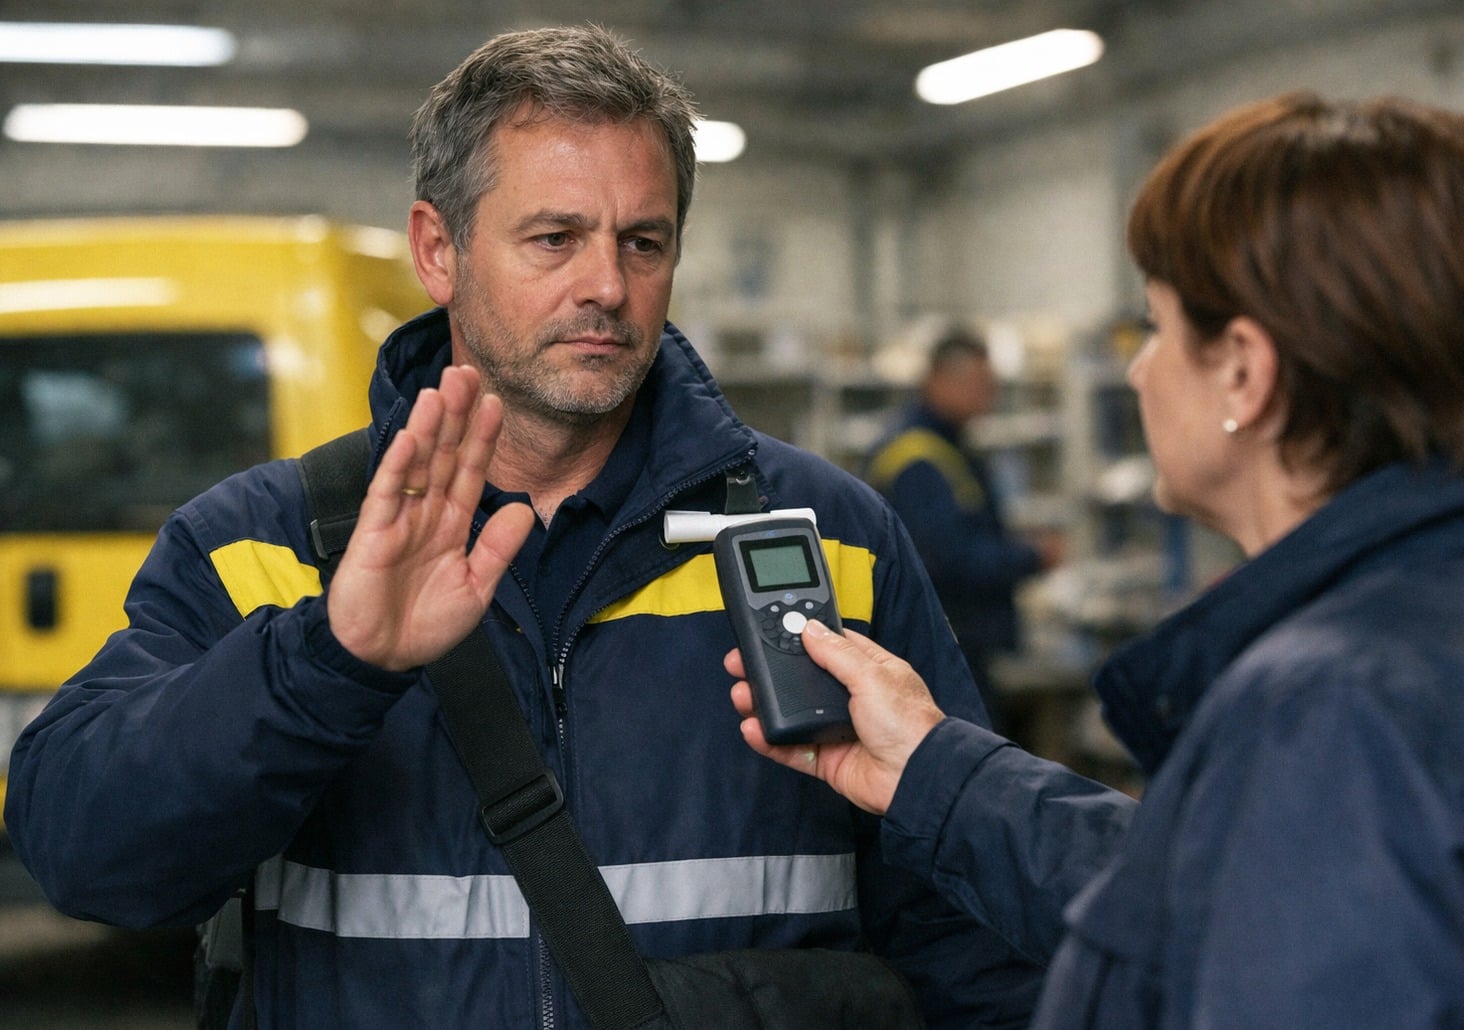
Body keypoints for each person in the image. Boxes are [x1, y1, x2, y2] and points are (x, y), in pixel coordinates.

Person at [4, 25, 1043, 1029]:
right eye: (554, 239)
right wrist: (331, 661)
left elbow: (970, 936)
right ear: (438, 250)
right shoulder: (261, 546)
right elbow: (87, 855)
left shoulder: (833, 539)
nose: (606, 286)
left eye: (644, 241)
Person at [732, 91, 1464, 1027]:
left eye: (1156, 327)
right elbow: (1202, 895)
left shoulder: (1335, 714)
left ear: (1243, 368)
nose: (1141, 371)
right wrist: (936, 769)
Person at [862, 327, 1059, 718]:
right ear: (937, 380)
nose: (989, 397)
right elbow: (948, 559)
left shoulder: (948, 446)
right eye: (979, 384)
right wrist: (1031, 556)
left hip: (960, 643)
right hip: (944, 647)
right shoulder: (916, 459)